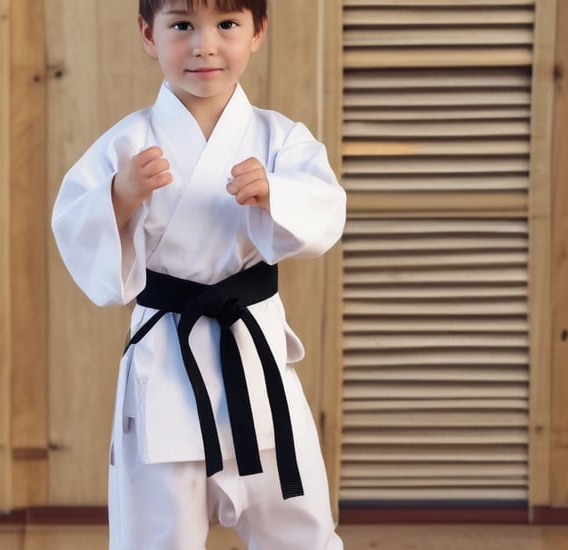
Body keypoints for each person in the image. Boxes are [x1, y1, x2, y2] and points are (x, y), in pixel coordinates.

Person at [51, 0, 346, 547]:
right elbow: (73, 224)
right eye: (182, 25)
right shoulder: (128, 144)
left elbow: (326, 210)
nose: (204, 45)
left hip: (255, 359)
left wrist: (274, 194)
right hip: (166, 364)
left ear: (257, 32)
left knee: (300, 527)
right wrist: (119, 195)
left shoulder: (281, 139)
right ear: (148, 34)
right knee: (157, 533)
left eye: (226, 25)